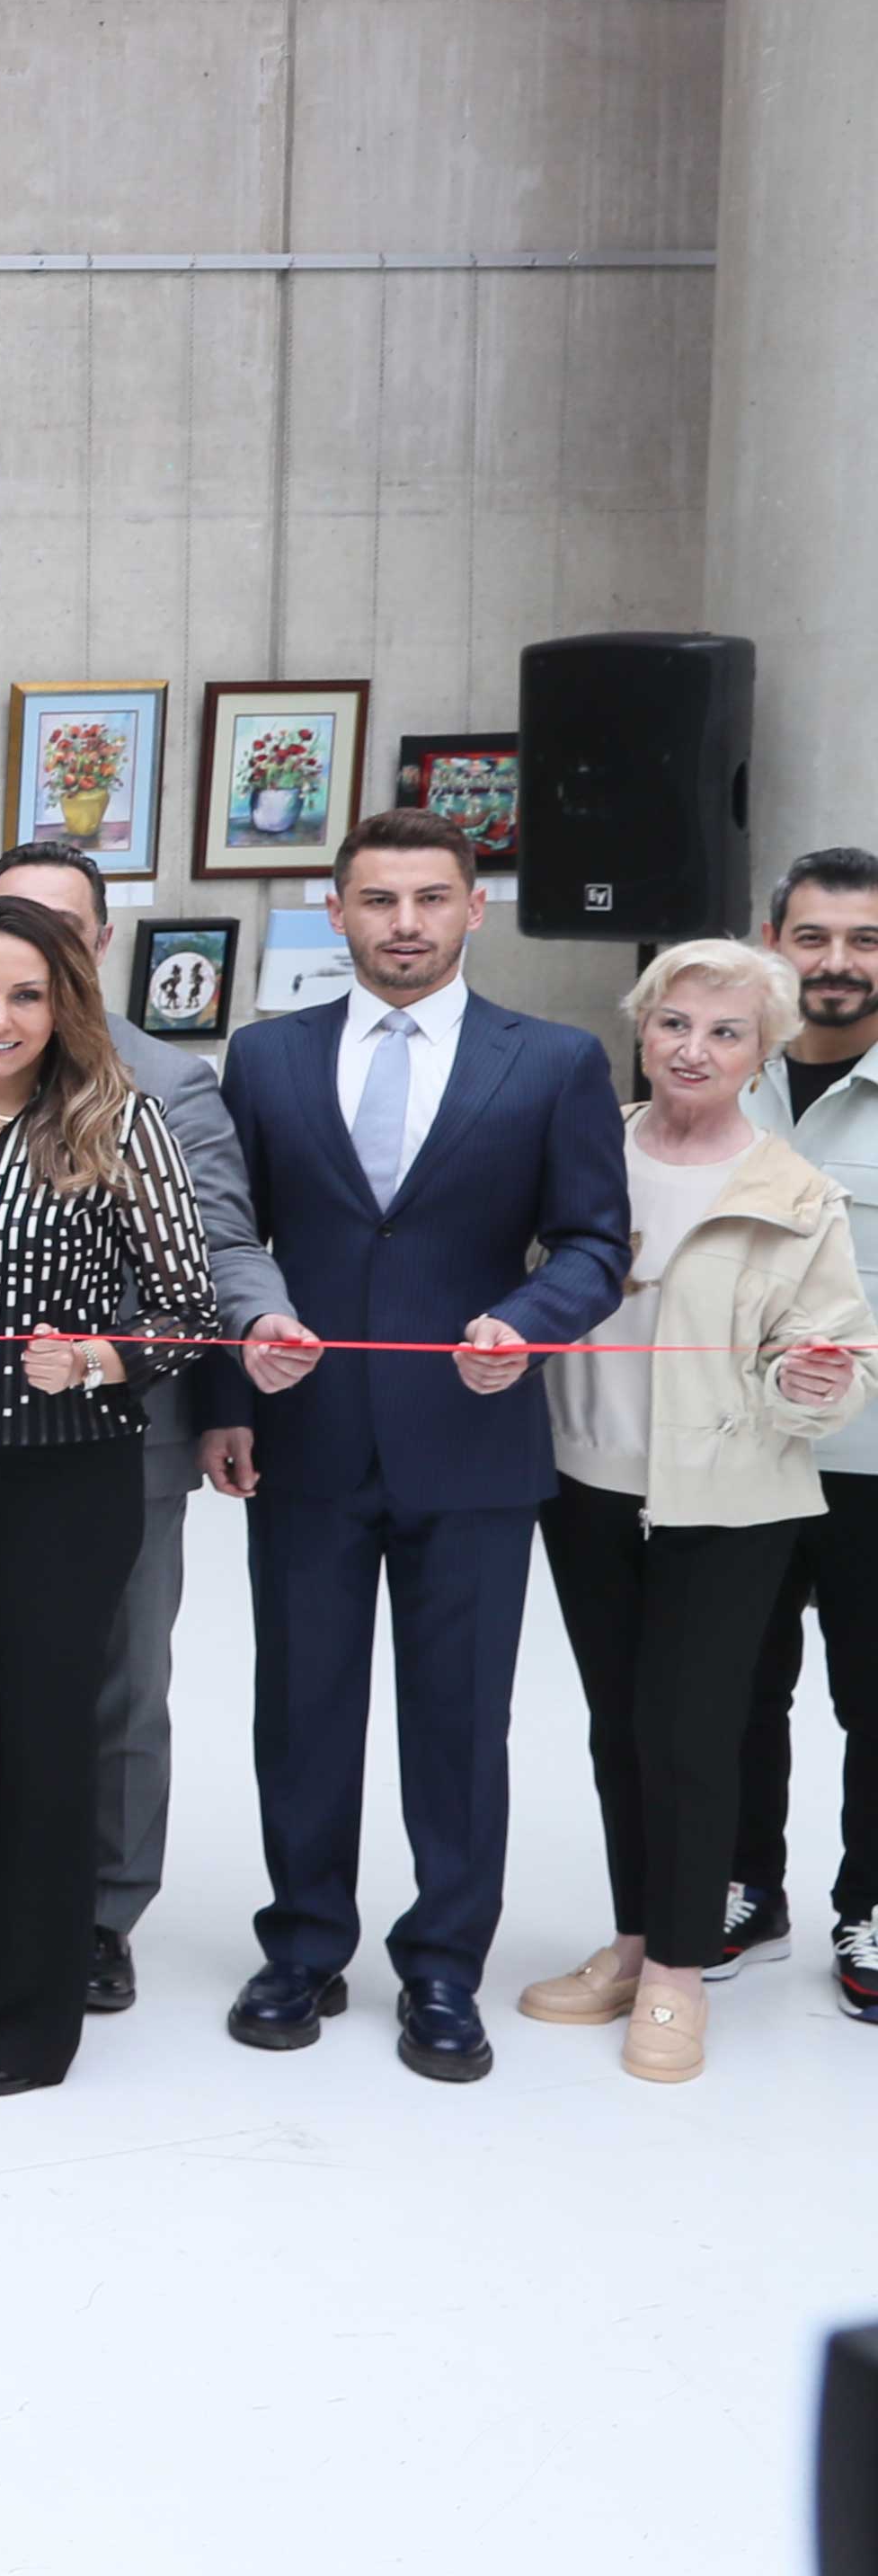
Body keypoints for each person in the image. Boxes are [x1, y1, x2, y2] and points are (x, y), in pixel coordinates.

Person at [221, 808, 629, 2081]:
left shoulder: (553, 1060)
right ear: (336, 911)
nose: (405, 924)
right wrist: (249, 1344)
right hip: (309, 1436)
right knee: (303, 1709)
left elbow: (595, 1245)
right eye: (380, 900)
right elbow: (234, 1234)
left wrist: (527, 1322)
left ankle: (445, 1965)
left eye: (431, 898)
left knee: (460, 1721)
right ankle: (302, 1946)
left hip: (475, 1439)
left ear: (473, 908)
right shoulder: (265, 1057)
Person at [0, 895, 217, 2095]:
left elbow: (189, 1309)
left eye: (25, 994)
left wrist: (104, 1357)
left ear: (65, 1004)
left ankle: (27, 2015)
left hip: (65, 1478)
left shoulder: (117, 1119)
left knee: (47, 1732)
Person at [513, 937, 875, 2079]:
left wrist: (813, 1380)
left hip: (733, 1500)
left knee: (692, 1730)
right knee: (616, 1722)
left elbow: (842, 1356)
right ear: (641, 1028)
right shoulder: (583, 1153)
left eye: (726, 1033)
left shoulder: (796, 1191)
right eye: (674, 1023)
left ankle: (678, 1971)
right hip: (585, 1481)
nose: (693, 1049)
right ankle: (633, 1939)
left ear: (761, 1052)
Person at [0, 840, 295, 2017]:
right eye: (12, 922)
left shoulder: (168, 1081)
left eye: (63, 929)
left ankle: (103, 1912)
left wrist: (239, 1372)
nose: (36, 950)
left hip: (126, 1436)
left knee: (115, 1685)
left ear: (101, 944)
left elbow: (218, 1250)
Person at [741, 845, 878, 2017]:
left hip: (872, 1462)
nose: (839, 961)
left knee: (873, 1697)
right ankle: (745, 1884)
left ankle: (871, 1903)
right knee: (734, 1685)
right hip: (735, 1451)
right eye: (815, 936)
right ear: (772, 943)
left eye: (866, 940)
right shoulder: (715, 1074)